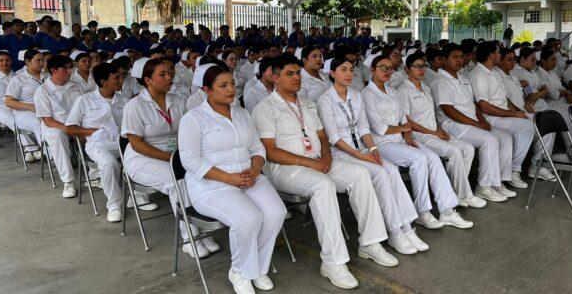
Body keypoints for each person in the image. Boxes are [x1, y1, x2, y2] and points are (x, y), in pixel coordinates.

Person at [252, 54, 391, 290]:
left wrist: (325, 158)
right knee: (323, 186)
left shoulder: (306, 103)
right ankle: (333, 262)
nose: (296, 78)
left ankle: (370, 242)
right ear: (275, 78)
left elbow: (322, 138)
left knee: (360, 174)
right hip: (285, 168)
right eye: (289, 74)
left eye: (298, 73)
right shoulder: (265, 108)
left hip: (317, 161)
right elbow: (270, 151)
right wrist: (310, 163)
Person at [179, 64, 286, 293]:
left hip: (248, 176)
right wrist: (229, 178)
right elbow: (190, 161)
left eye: (232, 84)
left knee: (277, 212)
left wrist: (256, 168)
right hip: (212, 184)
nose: (231, 90)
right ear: (207, 90)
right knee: (248, 217)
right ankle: (239, 271)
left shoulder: (242, 113)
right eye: (223, 86)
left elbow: (257, 147)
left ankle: (256, 268)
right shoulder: (194, 119)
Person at [318, 55, 427, 257]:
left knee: (391, 170)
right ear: (332, 74)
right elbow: (334, 138)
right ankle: (395, 231)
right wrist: (361, 156)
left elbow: (363, 127)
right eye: (343, 69)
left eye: (351, 69)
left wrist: (373, 150)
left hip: (362, 149)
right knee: (379, 173)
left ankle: (407, 227)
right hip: (342, 153)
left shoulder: (356, 95)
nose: (349, 74)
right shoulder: (325, 100)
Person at [121, 58, 219, 259]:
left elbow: (187, 129)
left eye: (169, 72)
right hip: (142, 158)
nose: (169, 77)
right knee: (177, 182)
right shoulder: (135, 105)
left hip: (175, 153)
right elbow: (136, 143)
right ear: (148, 80)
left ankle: (202, 230)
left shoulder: (177, 100)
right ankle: (189, 238)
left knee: (201, 176)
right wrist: (172, 158)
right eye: (162, 74)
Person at [363, 54, 470, 228]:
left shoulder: (392, 91)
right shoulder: (367, 94)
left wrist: (407, 136)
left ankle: (447, 210)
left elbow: (403, 118)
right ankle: (423, 212)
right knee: (419, 158)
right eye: (382, 67)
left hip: (401, 139)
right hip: (382, 143)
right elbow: (379, 128)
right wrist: (405, 130)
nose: (387, 71)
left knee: (433, 158)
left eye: (390, 68)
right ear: (372, 70)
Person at [66, 63, 156, 221]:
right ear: (103, 81)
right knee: (108, 163)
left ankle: (137, 196)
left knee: (145, 154)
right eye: (117, 77)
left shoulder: (126, 101)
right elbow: (70, 128)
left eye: (122, 76)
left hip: (124, 142)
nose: (121, 80)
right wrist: (91, 131)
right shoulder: (84, 100)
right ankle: (114, 205)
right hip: (98, 144)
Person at [397, 52, 485, 209]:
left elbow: (431, 114)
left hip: (434, 131)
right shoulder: (403, 90)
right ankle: (465, 194)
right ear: (407, 69)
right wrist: (432, 133)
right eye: (417, 67)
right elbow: (407, 121)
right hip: (420, 135)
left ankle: (455, 191)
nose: (421, 69)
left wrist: (438, 129)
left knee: (468, 148)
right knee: (454, 152)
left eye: (423, 66)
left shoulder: (425, 87)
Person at [431, 43, 512, 203]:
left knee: (504, 138)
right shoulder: (440, 81)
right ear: (444, 60)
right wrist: (476, 124)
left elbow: (473, 103)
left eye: (461, 57)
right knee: (489, 140)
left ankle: (496, 182)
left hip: (471, 122)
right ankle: (483, 186)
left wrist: (481, 120)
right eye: (455, 57)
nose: (459, 60)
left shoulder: (463, 78)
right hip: (452, 124)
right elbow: (449, 110)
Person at [468, 41, 534, 190]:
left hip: (504, 115)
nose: (499, 55)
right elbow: (484, 106)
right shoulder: (478, 75)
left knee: (536, 120)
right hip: (491, 118)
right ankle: (515, 169)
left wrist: (519, 112)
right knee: (527, 126)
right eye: (498, 53)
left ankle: (503, 179)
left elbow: (505, 99)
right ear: (492, 55)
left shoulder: (494, 73)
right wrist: (513, 114)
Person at [502, 47, 558, 182]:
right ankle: (513, 170)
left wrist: (531, 113)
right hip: (508, 113)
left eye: (513, 59)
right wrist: (518, 112)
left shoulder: (514, 76)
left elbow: (524, 98)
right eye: (509, 60)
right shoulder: (508, 74)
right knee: (529, 128)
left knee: (547, 125)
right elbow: (506, 99)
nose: (512, 62)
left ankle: (538, 165)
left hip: (525, 109)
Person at [33, 55, 83, 198]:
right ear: (54, 70)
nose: (70, 71)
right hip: (55, 126)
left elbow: (84, 110)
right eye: (66, 68)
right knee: (57, 136)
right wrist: (69, 129)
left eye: (71, 68)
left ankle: (95, 172)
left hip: (76, 124)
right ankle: (68, 181)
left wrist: (82, 128)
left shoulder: (76, 87)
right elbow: (47, 120)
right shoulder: (42, 91)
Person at [5, 50, 44, 162]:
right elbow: (9, 102)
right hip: (25, 113)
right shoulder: (18, 79)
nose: (42, 63)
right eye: (38, 60)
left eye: (43, 60)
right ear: (27, 61)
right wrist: (31, 107)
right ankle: (50, 153)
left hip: (46, 109)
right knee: (40, 122)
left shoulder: (47, 76)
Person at [0, 51, 19, 151]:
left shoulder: (17, 77)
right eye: (1, 60)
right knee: (16, 122)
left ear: (11, 61)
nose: (4, 63)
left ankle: (38, 146)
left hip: (19, 106)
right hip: (1, 109)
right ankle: (30, 149)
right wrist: (9, 106)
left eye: (7, 60)